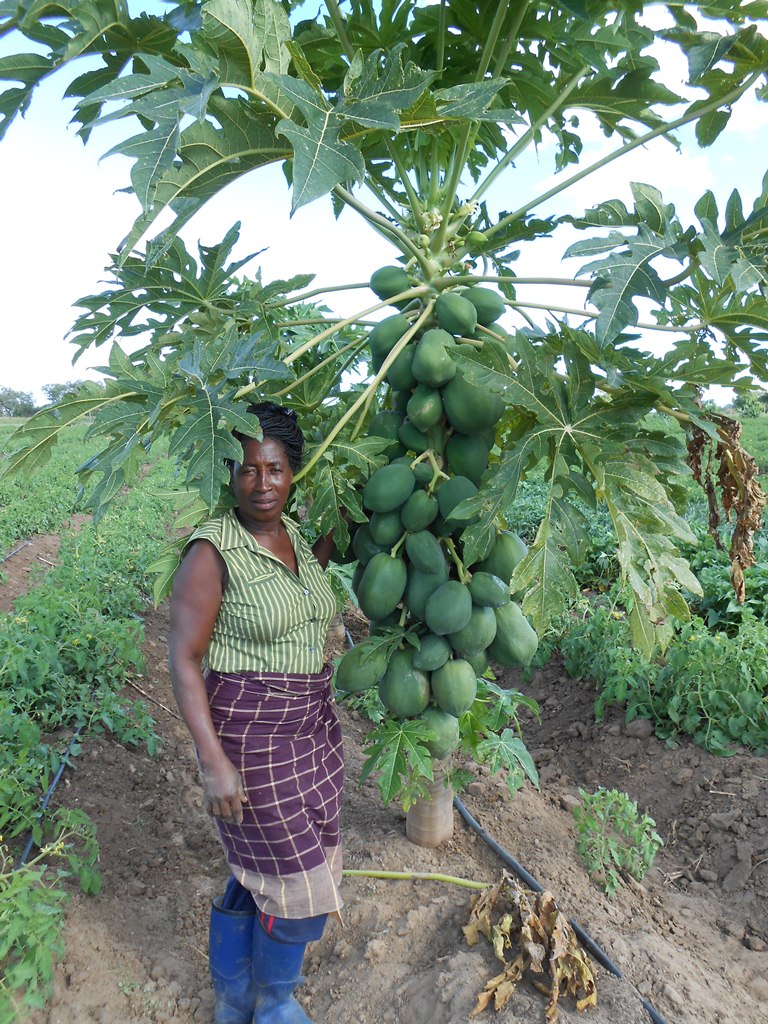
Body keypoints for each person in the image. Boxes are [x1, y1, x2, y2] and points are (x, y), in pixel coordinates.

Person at [168, 402, 343, 1024]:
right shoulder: (212, 551)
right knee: (298, 886)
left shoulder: (297, 538)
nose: (261, 483)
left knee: (260, 872)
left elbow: (299, 596)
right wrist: (213, 762)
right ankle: (273, 1004)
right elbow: (183, 658)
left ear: (293, 472)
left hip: (311, 730)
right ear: (230, 473)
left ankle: (234, 999)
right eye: (247, 469)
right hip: (250, 735)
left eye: (274, 469)